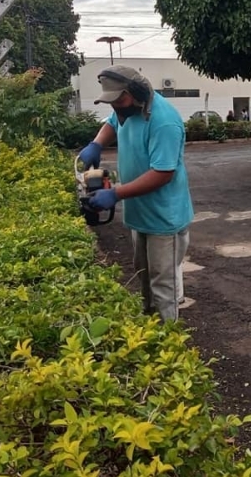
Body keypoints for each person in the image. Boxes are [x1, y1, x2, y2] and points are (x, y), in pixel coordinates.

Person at [77, 65, 194, 322]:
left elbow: (163, 173)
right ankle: (148, 331)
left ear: (137, 92)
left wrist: (116, 194)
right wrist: (96, 144)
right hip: (139, 213)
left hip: (164, 218)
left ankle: (169, 341)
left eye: (120, 99)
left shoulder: (164, 121)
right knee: (143, 276)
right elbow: (110, 124)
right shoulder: (126, 111)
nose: (116, 106)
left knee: (163, 286)